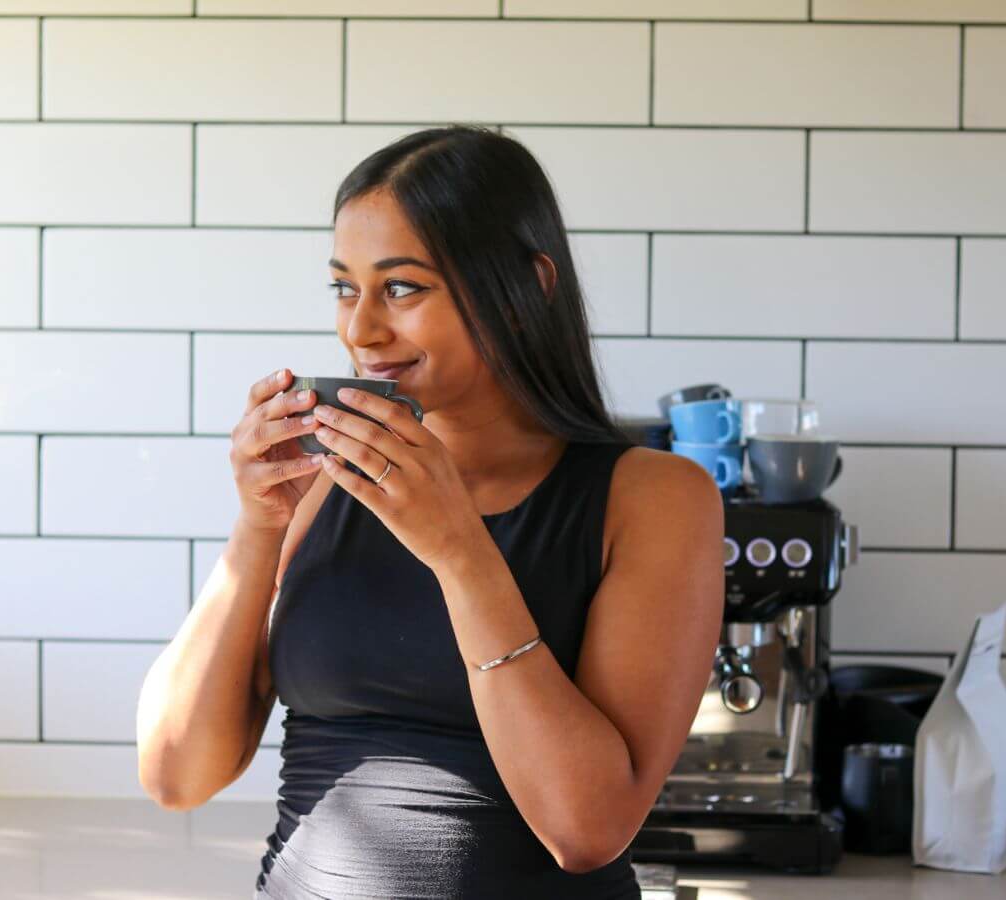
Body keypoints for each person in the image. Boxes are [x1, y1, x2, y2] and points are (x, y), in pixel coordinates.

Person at [137, 124, 724, 898]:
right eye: (345, 288)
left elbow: (586, 831)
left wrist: (460, 552)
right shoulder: (322, 482)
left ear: (528, 288)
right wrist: (257, 529)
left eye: (402, 287)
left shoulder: (653, 497)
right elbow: (177, 776)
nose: (361, 329)